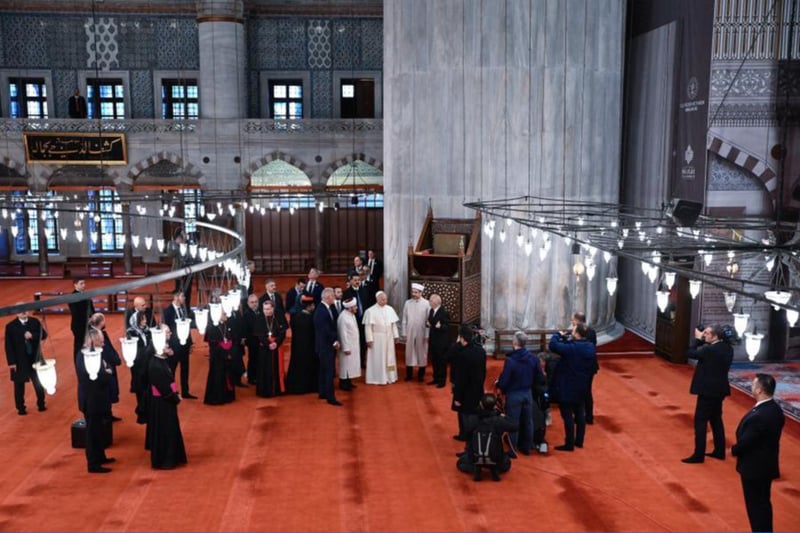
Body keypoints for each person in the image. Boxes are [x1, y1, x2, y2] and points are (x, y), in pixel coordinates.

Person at [732, 373, 785, 533]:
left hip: (755, 468)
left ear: (760, 390)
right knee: (762, 504)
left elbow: (748, 440)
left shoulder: (761, 415)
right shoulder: (774, 409)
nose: (751, 387)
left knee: (756, 507)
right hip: (764, 466)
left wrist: (734, 450)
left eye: (754, 384)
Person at [682, 324, 734, 463]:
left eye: (707, 333)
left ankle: (698, 454)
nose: (704, 335)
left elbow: (690, 353)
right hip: (720, 390)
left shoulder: (710, 350)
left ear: (715, 336)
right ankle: (719, 450)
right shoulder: (727, 348)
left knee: (700, 421)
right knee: (716, 419)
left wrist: (697, 340)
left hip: (707, 391)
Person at [548, 324, 596, 451]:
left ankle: (569, 443)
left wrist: (558, 335)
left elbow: (552, 345)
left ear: (577, 334)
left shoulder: (572, 349)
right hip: (582, 385)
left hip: (567, 386)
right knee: (580, 413)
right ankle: (579, 441)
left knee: (567, 415)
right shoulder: (590, 347)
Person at [146, 326, 188, 470]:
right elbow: (164, 387)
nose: (167, 346)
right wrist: (175, 398)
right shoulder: (155, 365)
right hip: (162, 404)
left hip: (166, 402)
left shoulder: (161, 361)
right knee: (165, 432)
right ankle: (166, 459)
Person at [495, 331, 542, 456]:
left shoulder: (510, 360)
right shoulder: (533, 358)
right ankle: (527, 447)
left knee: (513, 422)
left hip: (514, 394)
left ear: (514, 342)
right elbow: (539, 376)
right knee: (528, 421)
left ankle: (512, 449)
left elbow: (505, 379)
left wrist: (500, 388)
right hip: (527, 392)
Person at [75, 329, 114, 473]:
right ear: (92, 341)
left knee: (99, 431)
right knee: (92, 433)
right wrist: (106, 373)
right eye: (101, 341)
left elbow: (106, 369)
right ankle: (93, 464)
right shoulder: (83, 356)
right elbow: (98, 376)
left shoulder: (94, 353)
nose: (103, 343)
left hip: (98, 400)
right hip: (91, 402)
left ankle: (100, 456)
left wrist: (106, 371)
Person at [456, 393, 519, 482]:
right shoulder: (498, 420)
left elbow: (466, 431)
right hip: (495, 457)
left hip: (475, 456)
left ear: (481, 404)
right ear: (494, 407)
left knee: (460, 463)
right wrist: (503, 416)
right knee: (507, 463)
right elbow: (515, 426)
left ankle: (476, 467)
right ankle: (493, 468)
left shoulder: (473, 418)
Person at [5, 305, 48, 415]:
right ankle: (21, 408)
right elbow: (8, 346)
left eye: (25, 310)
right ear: (16, 313)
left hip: (35, 358)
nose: (23, 312)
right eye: (20, 310)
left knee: (38, 382)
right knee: (19, 385)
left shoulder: (35, 322)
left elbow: (44, 335)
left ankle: (41, 404)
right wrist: (11, 362)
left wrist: (32, 336)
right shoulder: (10, 326)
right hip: (19, 360)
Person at [448, 324, 487, 441]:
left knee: (464, 414)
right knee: (475, 412)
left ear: (462, 338)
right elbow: (483, 371)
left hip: (465, 391)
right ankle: (473, 435)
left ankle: (465, 436)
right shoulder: (481, 351)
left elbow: (461, 378)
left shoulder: (462, 355)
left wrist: (457, 397)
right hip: (478, 387)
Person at [161, 290, 197, 399]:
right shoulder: (167, 312)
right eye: (182, 296)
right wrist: (167, 346)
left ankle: (186, 392)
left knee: (185, 369)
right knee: (171, 370)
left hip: (184, 345)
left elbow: (187, 328)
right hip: (173, 347)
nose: (184, 298)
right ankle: (172, 392)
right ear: (176, 297)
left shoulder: (184, 310)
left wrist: (190, 343)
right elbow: (164, 330)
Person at [88, 313, 122, 421]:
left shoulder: (100, 332)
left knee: (109, 391)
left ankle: (108, 413)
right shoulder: (95, 334)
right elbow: (106, 351)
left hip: (108, 365)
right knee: (107, 391)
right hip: (104, 366)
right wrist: (115, 360)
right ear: (101, 322)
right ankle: (106, 415)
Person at [363, 291, 400, 385]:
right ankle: (378, 377)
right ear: (377, 299)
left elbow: (393, 324)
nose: (385, 301)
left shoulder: (390, 309)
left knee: (390, 358)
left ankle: (391, 376)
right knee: (379, 358)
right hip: (377, 339)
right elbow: (368, 327)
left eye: (386, 299)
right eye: (383, 299)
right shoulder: (370, 311)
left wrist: (396, 336)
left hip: (389, 337)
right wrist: (369, 339)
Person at [314, 287, 342, 406]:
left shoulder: (326, 308)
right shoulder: (321, 311)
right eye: (333, 296)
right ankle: (330, 397)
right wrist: (334, 341)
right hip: (325, 346)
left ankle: (322, 392)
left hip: (324, 345)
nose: (334, 298)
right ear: (327, 297)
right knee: (329, 371)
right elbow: (325, 330)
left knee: (323, 370)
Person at [285, 295, 318, 394]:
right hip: (308, 349)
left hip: (297, 348)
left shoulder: (295, 317)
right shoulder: (311, 319)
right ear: (309, 306)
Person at [254, 300, 287, 398]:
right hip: (264, 348)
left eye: (268, 309)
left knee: (276, 368)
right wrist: (268, 344)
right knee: (264, 368)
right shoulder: (259, 319)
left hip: (277, 347)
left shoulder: (279, 317)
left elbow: (283, 333)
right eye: (265, 309)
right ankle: (265, 391)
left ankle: (277, 389)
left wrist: (276, 343)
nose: (266, 311)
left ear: (273, 308)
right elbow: (259, 335)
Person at [204, 313, 236, 405]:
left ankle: (228, 396)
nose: (226, 315)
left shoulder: (227, 324)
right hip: (217, 357)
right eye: (224, 314)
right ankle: (218, 398)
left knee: (228, 375)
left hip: (227, 356)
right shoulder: (212, 328)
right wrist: (225, 353)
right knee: (218, 376)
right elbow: (213, 345)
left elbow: (232, 339)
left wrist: (230, 352)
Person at [572, 311, 598, 423]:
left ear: (577, 320)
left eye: (573, 319)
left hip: (581, 366)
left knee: (581, 391)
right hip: (590, 366)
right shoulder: (592, 331)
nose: (572, 321)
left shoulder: (579, 332)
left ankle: (582, 416)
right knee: (587, 391)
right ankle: (589, 415)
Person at [401, 282, 430, 382]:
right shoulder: (408, 303)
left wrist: (427, 334)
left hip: (422, 332)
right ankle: (409, 374)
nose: (414, 294)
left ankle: (421, 375)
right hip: (409, 331)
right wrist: (404, 333)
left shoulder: (426, 304)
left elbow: (428, 321)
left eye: (416, 292)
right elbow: (404, 319)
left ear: (421, 293)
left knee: (422, 352)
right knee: (409, 352)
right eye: (413, 292)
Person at [342, 273, 368, 369]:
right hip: (353, 320)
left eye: (358, 280)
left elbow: (367, 304)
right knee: (353, 342)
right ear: (351, 281)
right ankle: (354, 362)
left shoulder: (365, 291)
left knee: (363, 341)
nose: (357, 282)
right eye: (355, 280)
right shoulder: (346, 293)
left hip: (363, 320)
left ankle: (362, 361)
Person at [69, 277, 95, 368]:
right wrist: (87, 319)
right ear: (75, 285)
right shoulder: (72, 297)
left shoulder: (86, 295)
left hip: (88, 324)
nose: (83, 285)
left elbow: (91, 308)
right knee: (79, 345)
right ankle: (78, 363)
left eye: (84, 283)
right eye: (81, 283)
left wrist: (93, 317)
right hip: (79, 326)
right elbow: (75, 313)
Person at [337, 297, 361, 391]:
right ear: (350, 307)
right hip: (347, 346)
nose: (357, 308)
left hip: (353, 345)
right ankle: (343, 383)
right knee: (345, 365)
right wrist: (346, 347)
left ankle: (348, 382)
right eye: (355, 306)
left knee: (350, 365)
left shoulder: (351, 315)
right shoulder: (343, 317)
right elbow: (342, 334)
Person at [426, 294, 450, 387]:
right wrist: (428, 324)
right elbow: (431, 322)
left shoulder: (444, 312)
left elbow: (447, 326)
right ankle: (435, 378)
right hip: (433, 340)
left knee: (442, 362)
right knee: (434, 361)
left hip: (442, 342)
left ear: (435, 302)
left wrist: (440, 327)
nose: (429, 302)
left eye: (430, 301)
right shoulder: (431, 310)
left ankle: (442, 381)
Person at [242, 294, 261, 385]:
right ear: (248, 303)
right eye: (252, 302)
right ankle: (251, 378)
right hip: (252, 341)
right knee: (253, 359)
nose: (254, 304)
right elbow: (245, 330)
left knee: (261, 359)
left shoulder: (261, 311)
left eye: (256, 302)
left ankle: (259, 376)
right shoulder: (246, 315)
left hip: (262, 341)